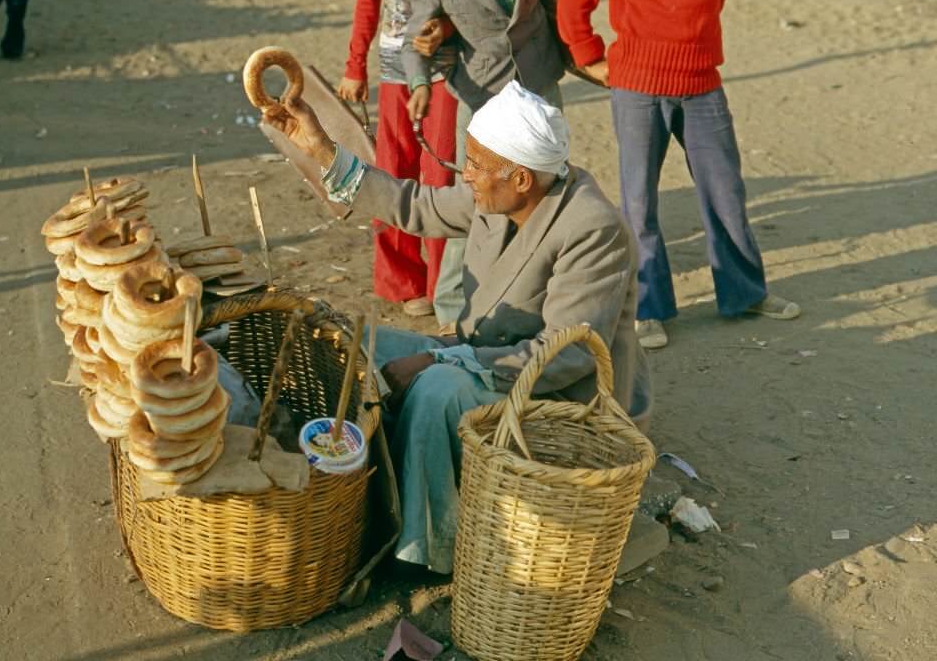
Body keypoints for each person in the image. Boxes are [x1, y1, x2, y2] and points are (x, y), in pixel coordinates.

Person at [262, 79, 650, 573]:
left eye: (476, 166)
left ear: (523, 178)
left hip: (555, 396)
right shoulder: (496, 194)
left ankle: (424, 550)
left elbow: (565, 355)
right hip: (485, 359)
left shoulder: (592, 229)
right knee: (355, 341)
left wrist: (441, 356)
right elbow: (415, 206)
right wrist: (322, 150)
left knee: (437, 389)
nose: (465, 175)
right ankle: (368, 496)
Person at [556, 0, 800, 351]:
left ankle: (745, 293)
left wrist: (697, 36)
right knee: (640, 202)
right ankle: (649, 307)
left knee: (726, 192)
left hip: (702, 80)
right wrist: (590, 58)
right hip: (637, 87)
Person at [402, 0, 566, 328]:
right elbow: (412, 39)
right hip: (481, 96)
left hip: (539, 85)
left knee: (546, 191)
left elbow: (553, 7)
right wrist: (419, 84)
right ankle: (453, 308)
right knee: (475, 198)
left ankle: (540, 294)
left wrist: (580, 58)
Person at [337, 0, 459, 318]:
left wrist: (446, 29)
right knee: (391, 173)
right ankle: (402, 281)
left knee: (440, 176)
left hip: (448, 71)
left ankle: (442, 283)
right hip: (391, 69)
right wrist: (354, 65)